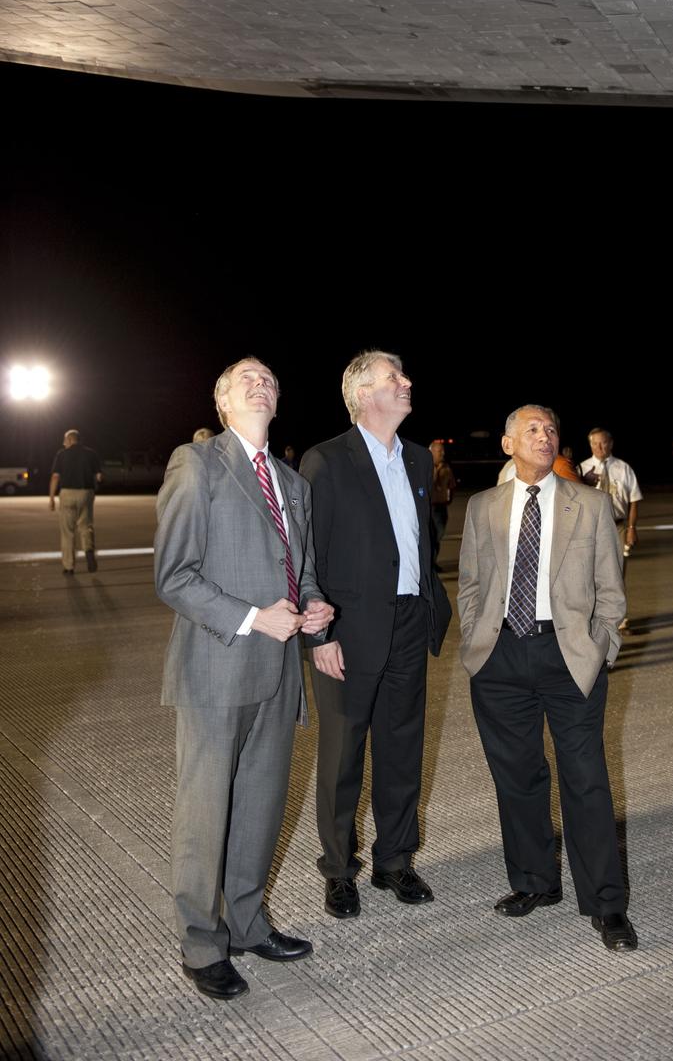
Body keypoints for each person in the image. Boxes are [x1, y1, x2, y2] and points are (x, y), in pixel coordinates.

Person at [155, 358, 333, 1001]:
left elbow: (302, 570)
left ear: (278, 401)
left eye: (269, 378)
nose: (261, 382)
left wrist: (314, 606)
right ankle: (202, 942)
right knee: (206, 812)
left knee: (260, 806)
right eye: (244, 378)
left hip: (280, 669)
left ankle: (249, 923)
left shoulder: (293, 482)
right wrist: (253, 617)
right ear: (223, 402)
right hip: (216, 664)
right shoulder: (197, 464)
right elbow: (174, 576)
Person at [457, 405, 636, 952]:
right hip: (500, 659)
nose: (544, 434)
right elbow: (470, 583)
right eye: (531, 429)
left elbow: (611, 589)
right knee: (517, 777)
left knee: (585, 778)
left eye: (550, 428)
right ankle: (535, 881)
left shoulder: (590, 504)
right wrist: (475, 641)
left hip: (568, 656)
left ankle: (606, 904)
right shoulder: (482, 507)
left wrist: (601, 646)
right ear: (508, 443)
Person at [300, 351, 452, 921]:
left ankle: (395, 860)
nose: (407, 382)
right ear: (364, 393)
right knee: (342, 754)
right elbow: (307, 556)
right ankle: (339, 869)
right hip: (348, 627)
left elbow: (419, 541)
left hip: (410, 622)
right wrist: (321, 636)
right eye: (395, 377)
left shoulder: (417, 459)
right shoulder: (327, 460)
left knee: (402, 747)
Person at [579, 428, 641, 630]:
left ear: (611, 443)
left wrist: (631, 527)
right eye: (595, 443)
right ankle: (595, 616)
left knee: (618, 572)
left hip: (618, 525)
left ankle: (620, 618)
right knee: (591, 573)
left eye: (603, 443)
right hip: (592, 528)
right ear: (590, 445)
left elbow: (633, 500)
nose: (599, 447)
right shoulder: (581, 469)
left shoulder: (623, 469)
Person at [48, 429, 102, 574]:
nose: (63, 443)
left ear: (71, 440)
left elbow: (55, 477)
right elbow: (99, 477)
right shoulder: (91, 454)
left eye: (65, 440)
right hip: (86, 492)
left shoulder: (61, 454)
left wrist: (52, 498)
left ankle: (69, 566)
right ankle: (88, 550)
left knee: (67, 532)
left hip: (67, 493)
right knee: (86, 525)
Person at [429, 439, 457, 565]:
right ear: (432, 451)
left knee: (438, 535)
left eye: (443, 451)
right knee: (431, 537)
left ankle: (433, 562)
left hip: (441, 507)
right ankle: (430, 564)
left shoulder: (446, 467)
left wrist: (449, 498)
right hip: (429, 508)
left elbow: (452, 485)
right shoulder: (425, 466)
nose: (443, 453)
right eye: (440, 451)